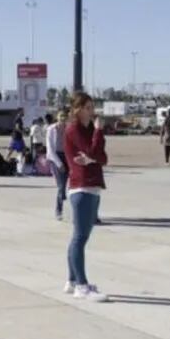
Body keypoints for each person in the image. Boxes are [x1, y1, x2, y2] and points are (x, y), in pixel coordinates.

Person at [63, 92, 108, 302]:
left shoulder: (90, 130)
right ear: (78, 109)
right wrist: (98, 134)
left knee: (80, 237)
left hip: (93, 186)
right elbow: (90, 150)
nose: (92, 112)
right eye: (88, 107)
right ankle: (81, 285)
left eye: (93, 107)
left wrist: (92, 157)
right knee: (80, 237)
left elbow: (101, 157)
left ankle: (72, 280)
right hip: (81, 187)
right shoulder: (74, 129)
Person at [46, 111, 69, 220]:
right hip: (55, 157)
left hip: (67, 156)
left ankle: (64, 196)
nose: (63, 119)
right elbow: (50, 149)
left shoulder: (69, 129)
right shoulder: (51, 129)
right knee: (61, 185)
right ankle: (58, 211)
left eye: (65, 117)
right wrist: (59, 163)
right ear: (57, 118)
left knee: (65, 184)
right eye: (61, 117)